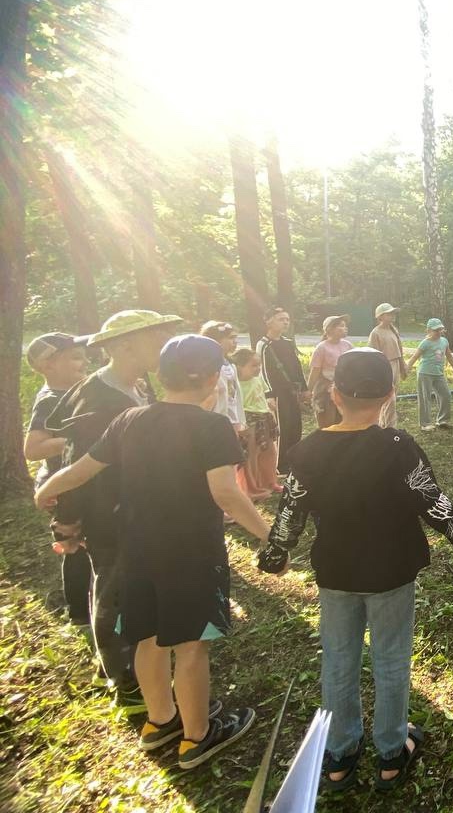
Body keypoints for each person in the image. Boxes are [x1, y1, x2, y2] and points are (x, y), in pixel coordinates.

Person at [258, 349, 453, 792]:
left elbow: (291, 510)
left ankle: (340, 754)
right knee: (390, 658)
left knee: (338, 659)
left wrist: (276, 552)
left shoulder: (306, 452)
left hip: (336, 574)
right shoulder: (397, 447)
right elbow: (435, 504)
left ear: (335, 394)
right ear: (389, 395)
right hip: (391, 573)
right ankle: (390, 752)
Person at [36, 334, 269, 767]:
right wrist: (268, 536)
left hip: (136, 548)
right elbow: (225, 493)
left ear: (161, 376)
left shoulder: (130, 419)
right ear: (212, 378)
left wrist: (46, 488)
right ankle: (198, 736)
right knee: (192, 643)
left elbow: (82, 469)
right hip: (192, 553)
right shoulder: (211, 426)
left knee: (147, 635)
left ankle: (160, 720)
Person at [42, 309, 181, 697]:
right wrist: (67, 519)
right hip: (110, 516)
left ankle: (142, 669)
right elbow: (77, 465)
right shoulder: (97, 398)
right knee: (114, 594)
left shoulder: (138, 386)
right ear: (124, 346)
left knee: (135, 591)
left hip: (138, 512)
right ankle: (126, 682)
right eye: (156, 338)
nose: (164, 346)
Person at [24, 333, 91, 625]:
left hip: (80, 480)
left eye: (84, 356)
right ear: (47, 365)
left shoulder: (76, 392)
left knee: (89, 541)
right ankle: (79, 613)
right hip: (64, 487)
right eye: (75, 358)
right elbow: (32, 449)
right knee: (74, 544)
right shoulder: (50, 400)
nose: (84, 362)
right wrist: (73, 441)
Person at [256, 306, 309, 468]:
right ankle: (280, 464)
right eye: (281, 319)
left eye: (287, 319)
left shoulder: (288, 343)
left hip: (291, 391)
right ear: (268, 322)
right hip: (277, 393)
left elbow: (296, 367)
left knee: (295, 425)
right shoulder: (264, 344)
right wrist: (269, 394)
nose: (285, 322)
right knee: (282, 427)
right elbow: (262, 371)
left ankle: (293, 458)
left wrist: (304, 388)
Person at [230, 347, 279, 501]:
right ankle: (252, 488)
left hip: (264, 416)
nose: (258, 368)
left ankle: (270, 482)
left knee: (269, 451)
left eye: (259, 365)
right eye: (253, 365)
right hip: (249, 419)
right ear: (239, 367)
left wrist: (269, 404)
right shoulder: (235, 383)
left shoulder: (258, 378)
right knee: (252, 455)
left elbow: (264, 393)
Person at [407, 318, 453, 430]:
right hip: (425, 373)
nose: (439, 332)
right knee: (425, 398)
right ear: (428, 331)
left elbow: (449, 356)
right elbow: (415, 357)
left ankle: (443, 420)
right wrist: (407, 368)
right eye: (436, 330)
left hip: (439, 373)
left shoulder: (444, 341)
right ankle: (425, 424)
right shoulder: (425, 343)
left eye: (440, 329)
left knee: (446, 395)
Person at [199, 321, 246, 439]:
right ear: (215, 340)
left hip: (232, 418)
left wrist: (240, 419)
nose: (235, 341)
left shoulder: (231, 364)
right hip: (216, 419)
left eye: (236, 338)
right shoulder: (207, 365)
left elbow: (235, 394)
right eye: (231, 338)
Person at [309, 315, 354, 429]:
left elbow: (353, 367)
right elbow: (315, 371)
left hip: (344, 390)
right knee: (327, 424)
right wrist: (308, 391)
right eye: (341, 326)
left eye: (345, 325)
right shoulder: (322, 348)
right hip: (325, 392)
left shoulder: (347, 345)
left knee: (343, 423)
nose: (345, 328)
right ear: (330, 329)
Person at [368, 303, 408, 428]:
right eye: (389, 313)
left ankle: (385, 425)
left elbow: (399, 350)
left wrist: (402, 366)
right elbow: (373, 355)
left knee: (392, 396)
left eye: (393, 313)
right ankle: (390, 427)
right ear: (380, 316)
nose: (392, 315)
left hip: (395, 364)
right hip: (384, 367)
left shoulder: (393, 330)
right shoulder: (375, 333)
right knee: (390, 398)